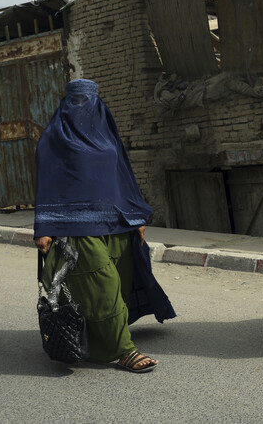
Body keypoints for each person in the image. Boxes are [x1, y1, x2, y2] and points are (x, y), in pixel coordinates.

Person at [33, 79, 175, 371]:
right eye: (76, 100)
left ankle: (100, 340)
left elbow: (122, 176)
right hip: (75, 229)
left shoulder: (107, 136)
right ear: (66, 102)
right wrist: (44, 226)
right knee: (103, 287)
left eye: (88, 100)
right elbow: (46, 183)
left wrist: (136, 217)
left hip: (115, 224)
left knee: (114, 291)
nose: (81, 106)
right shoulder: (53, 138)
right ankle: (125, 351)